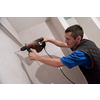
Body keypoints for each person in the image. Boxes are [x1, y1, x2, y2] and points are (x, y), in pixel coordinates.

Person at [28, 24, 100, 84]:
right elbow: (63, 44)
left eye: (68, 39)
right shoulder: (86, 42)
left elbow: (58, 63)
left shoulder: (80, 54)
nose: (65, 41)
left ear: (78, 38)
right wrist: (48, 39)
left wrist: (36, 57)